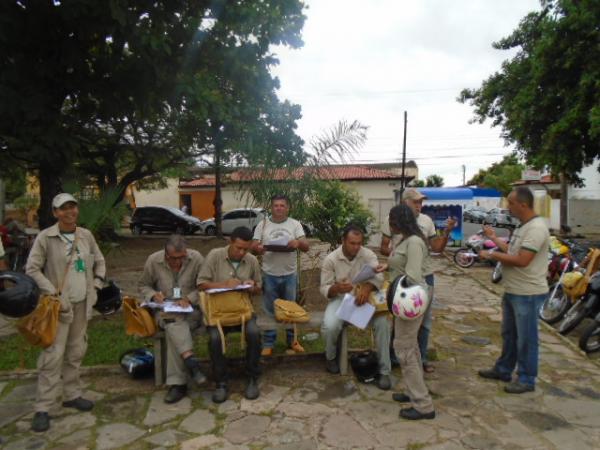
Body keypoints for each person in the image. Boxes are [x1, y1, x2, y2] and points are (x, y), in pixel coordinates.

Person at [26, 193, 106, 432]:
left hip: (82, 305)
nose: (70, 212)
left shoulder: (86, 235)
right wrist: (52, 292)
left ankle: (71, 394)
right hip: (58, 308)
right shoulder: (46, 237)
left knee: (75, 351)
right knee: (52, 356)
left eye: (73, 207)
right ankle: (43, 407)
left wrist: (97, 285)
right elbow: (32, 268)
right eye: (63, 209)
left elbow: (99, 261)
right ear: (55, 213)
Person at [477, 187, 550, 394]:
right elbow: (513, 251)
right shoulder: (522, 226)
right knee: (509, 334)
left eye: (511, 203)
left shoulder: (536, 228)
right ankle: (503, 369)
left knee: (527, 338)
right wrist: (494, 239)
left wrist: (492, 255)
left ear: (523, 205)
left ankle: (526, 379)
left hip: (528, 293)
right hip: (514, 290)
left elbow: (522, 260)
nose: (508, 206)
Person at [381, 188, 456, 372]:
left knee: (423, 322)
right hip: (403, 278)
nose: (419, 206)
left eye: (421, 202)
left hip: (416, 280)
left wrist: (446, 232)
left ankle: (418, 360)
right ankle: (398, 357)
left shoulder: (425, 223)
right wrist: (393, 259)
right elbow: (384, 247)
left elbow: (436, 248)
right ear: (405, 203)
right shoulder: (393, 220)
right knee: (402, 323)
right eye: (416, 202)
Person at [376, 204, 436, 420]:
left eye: (391, 219)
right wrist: (388, 267)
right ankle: (413, 391)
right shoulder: (406, 239)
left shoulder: (414, 243)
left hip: (409, 301)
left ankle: (423, 405)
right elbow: (402, 265)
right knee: (411, 347)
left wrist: (391, 288)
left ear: (398, 221)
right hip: (405, 300)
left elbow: (412, 276)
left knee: (404, 348)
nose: (389, 223)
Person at [320, 223, 392, 390]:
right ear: (343, 240)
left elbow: (379, 275)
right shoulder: (331, 259)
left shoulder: (367, 254)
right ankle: (330, 357)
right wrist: (336, 288)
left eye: (359, 243)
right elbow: (324, 288)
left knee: (383, 324)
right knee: (330, 325)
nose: (356, 247)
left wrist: (367, 288)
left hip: (365, 300)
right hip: (340, 299)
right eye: (352, 243)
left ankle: (385, 371)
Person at [138, 234, 207, 404]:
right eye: (174, 259)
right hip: (165, 311)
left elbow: (205, 285)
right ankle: (190, 362)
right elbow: (143, 285)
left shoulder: (196, 258)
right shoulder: (153, 261)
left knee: (173, 328)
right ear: (165, 254)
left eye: (182, 257)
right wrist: (154, 295)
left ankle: (178, 384)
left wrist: (190, 298)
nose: (178, 262)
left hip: (191, 311)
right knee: (173, 321)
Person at [198, 226, 262, 403]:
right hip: (218, 313)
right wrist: (225, 284)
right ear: (230, 242)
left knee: (254, 333)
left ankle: (252, 378)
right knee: (215, 338)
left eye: (245, 249)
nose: (241, 252)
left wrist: (252, 286)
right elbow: (201, 284)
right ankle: (221, 382)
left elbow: (259, 288)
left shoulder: (252, 261)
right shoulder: (215, 255)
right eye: (238, 248)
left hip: (243, 311)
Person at [251, 194, 309, 356]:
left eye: (282, 205)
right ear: (271, 207)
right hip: (269, 273)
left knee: (291, 308)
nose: (279, 208)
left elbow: (306, 246)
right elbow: (253, 246)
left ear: (287, 207)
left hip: (290, 273)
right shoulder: (262, 225)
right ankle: (269, 342)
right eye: (276, 205)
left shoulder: (295, 224)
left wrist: (298, 243)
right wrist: (258, 248)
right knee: (270, 309)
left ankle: (292, 340)